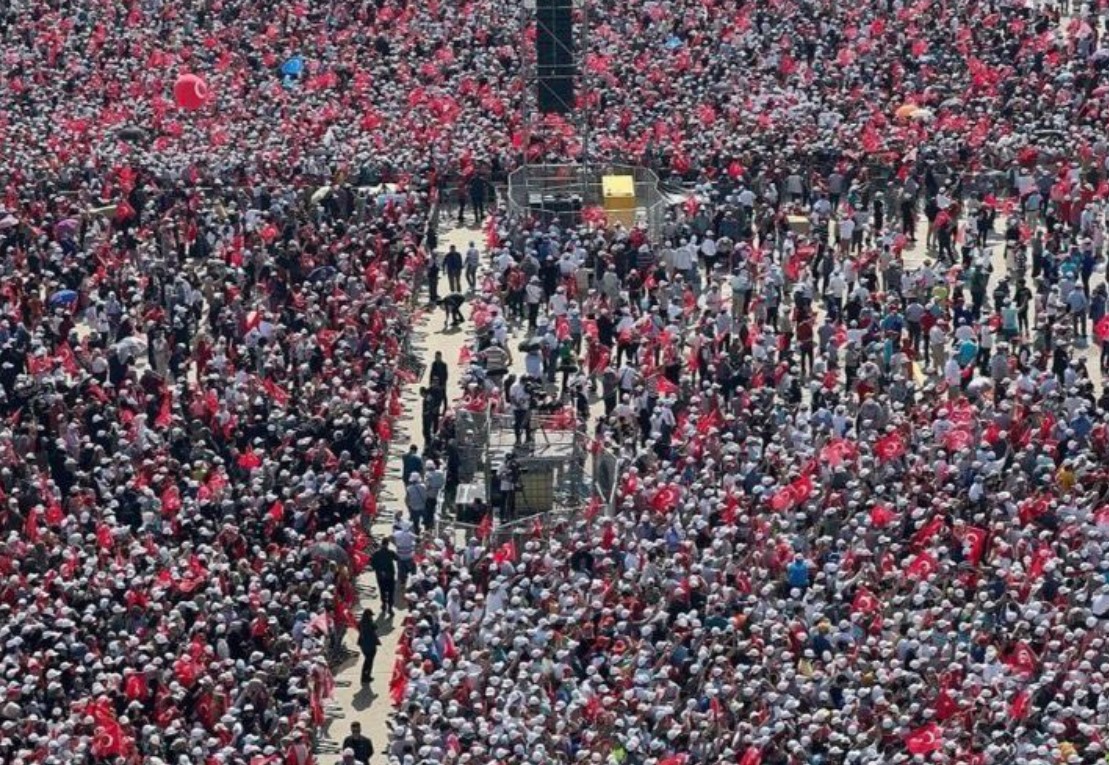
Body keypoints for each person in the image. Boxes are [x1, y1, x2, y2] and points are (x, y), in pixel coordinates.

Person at [369, 538, 397, 617]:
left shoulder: (376, 553)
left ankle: (384, 605)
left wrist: (379, 570)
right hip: (390, 576)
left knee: (382, 591)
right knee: (391, 592)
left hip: (380, 576)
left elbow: (372, 564)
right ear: (387, 544)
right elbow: (397, 558)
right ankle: (390, 608)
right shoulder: (390, 552)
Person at [356, 610, 381, 686]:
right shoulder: (370, 623)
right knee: (369, 662)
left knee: (367, 660)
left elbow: (358, 627)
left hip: (363, 645)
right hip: (370, 644)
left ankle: (365, 676)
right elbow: (376, 627)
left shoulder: (360, 623)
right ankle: (366, 677)